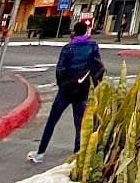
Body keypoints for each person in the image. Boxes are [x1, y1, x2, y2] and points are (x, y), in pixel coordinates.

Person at [26, 20, 105, 164]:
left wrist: (63, 84)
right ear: (86, 32)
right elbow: (98, 66)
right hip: (82, 89)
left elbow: (60, 69)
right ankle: (77, 155)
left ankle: (40, 152)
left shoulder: (68, 48)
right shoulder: (92, 46)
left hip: (66, 89)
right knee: (80, 123)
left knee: (52, 121)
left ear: (74, 32)